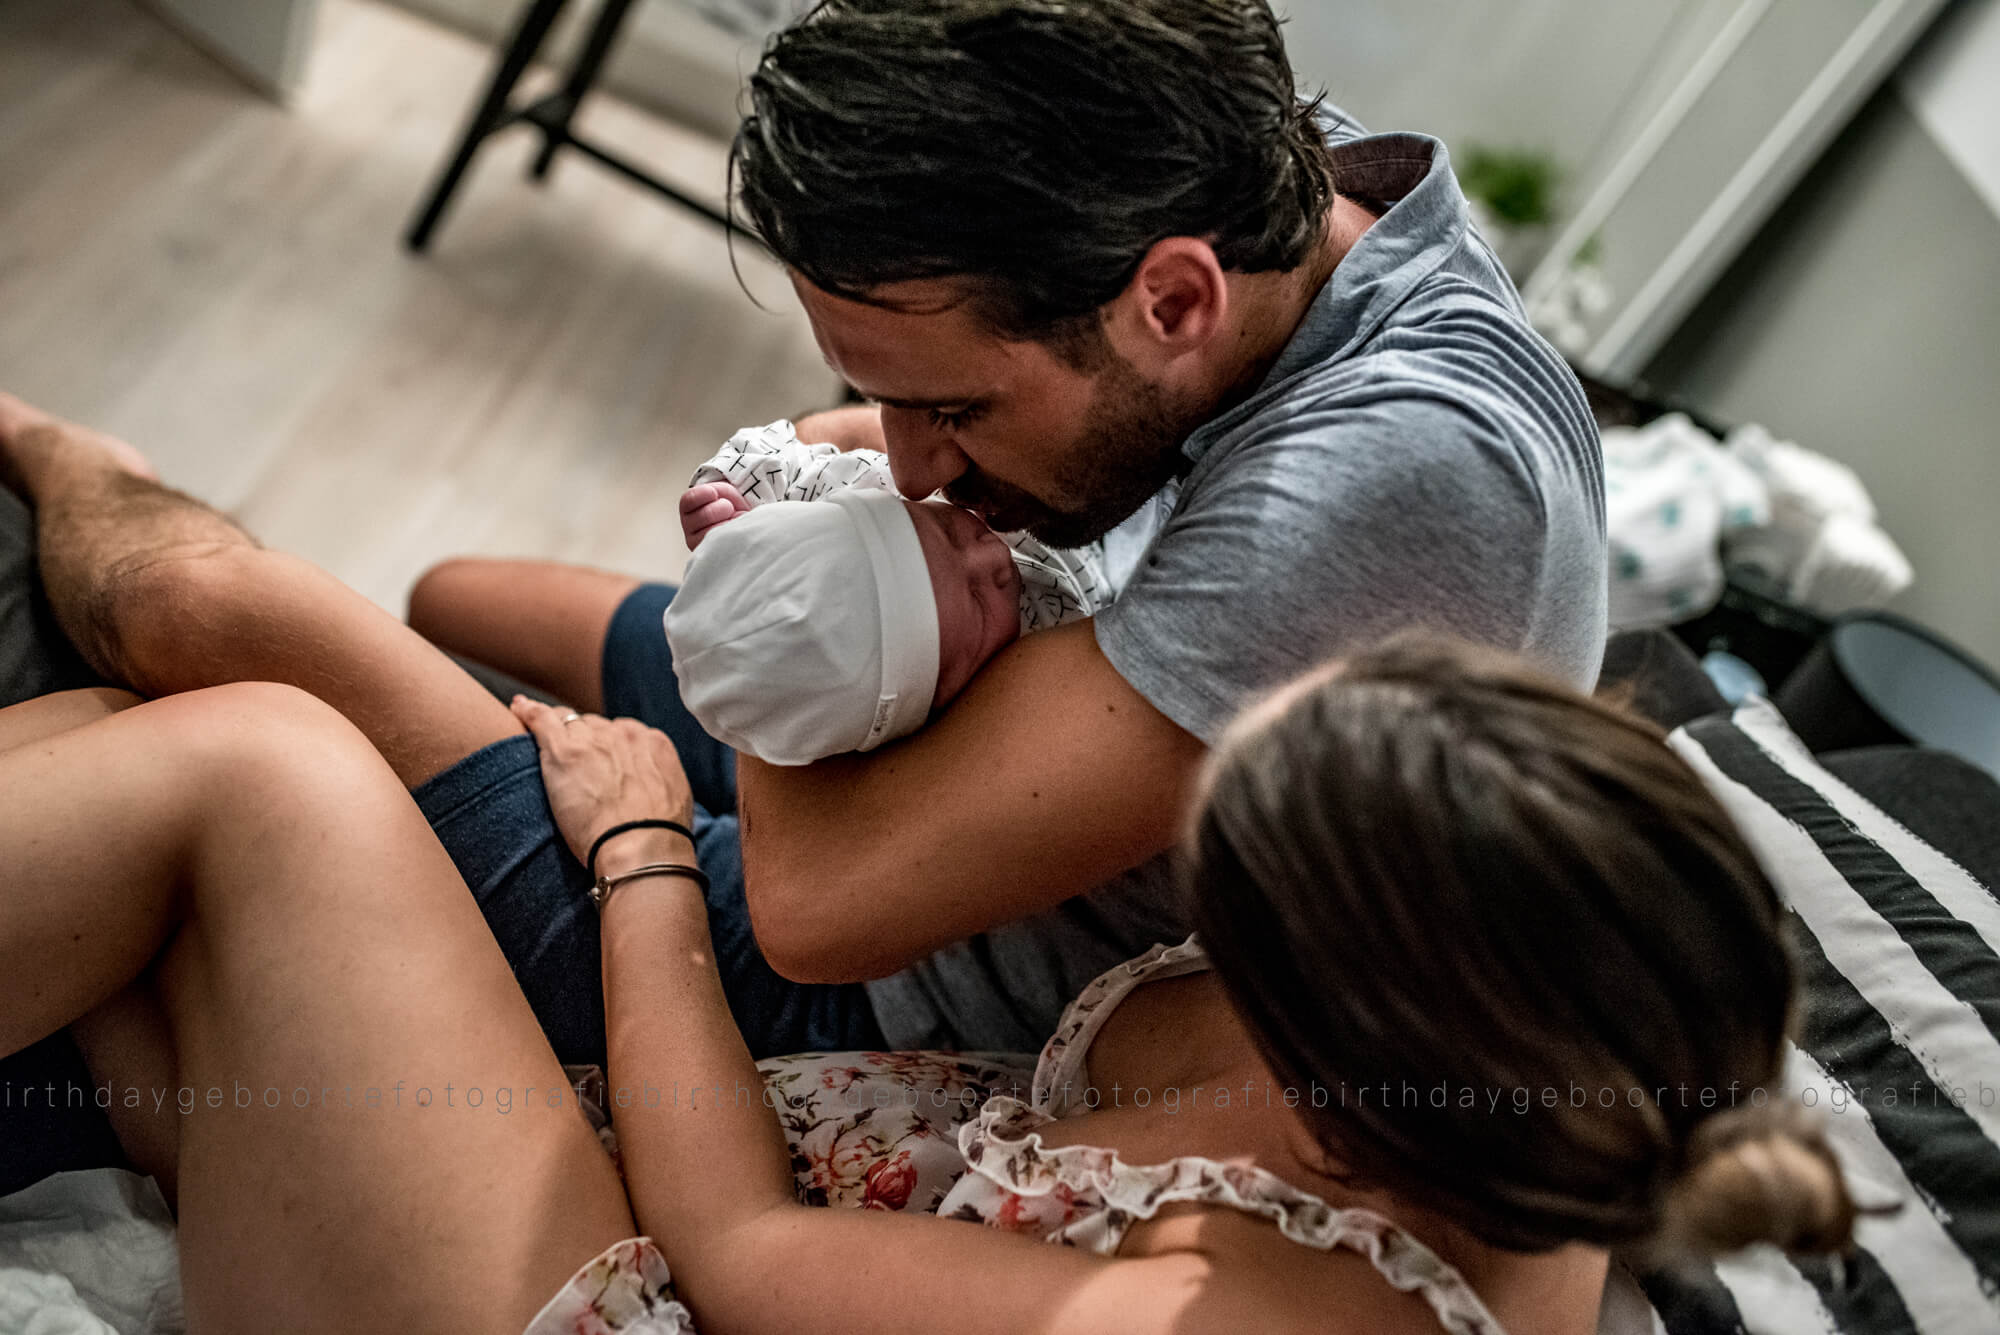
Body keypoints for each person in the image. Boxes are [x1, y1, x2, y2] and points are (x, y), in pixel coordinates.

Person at [0, 633, 1857, 1333]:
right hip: (677, 1164)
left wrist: (644, 851)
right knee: (105, 737)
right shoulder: (1574, 1048)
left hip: (671, 1272)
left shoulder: (1240, 1318)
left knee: (257, 762)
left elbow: (743, 1253)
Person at [409, 0, 1610, 1056]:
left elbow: (815, 915)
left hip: (924, 989)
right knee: (452, 600)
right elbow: (843, 437)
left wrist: (761, 641)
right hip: (920, 727)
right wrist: (809, 537)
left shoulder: (1396, 477)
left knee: (307, 688)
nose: (912, 464)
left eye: (953, 410)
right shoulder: (1251, 182)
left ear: (1174, 303)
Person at [665, 418, 1100, 764]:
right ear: (932, 704)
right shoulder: (1008, 701)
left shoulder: (863, 490)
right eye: (976, 600)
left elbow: (765, 452)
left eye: (946, 531)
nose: (992, 558)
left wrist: (725, 492)